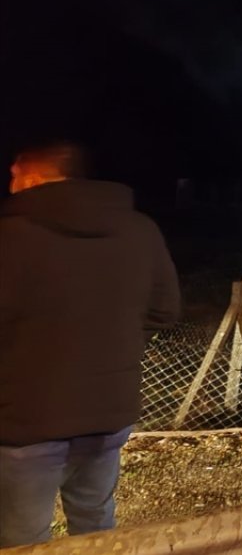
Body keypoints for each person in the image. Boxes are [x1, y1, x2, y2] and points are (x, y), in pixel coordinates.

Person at [0, 142, 180, 546]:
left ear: (33, 178)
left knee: (23, 538)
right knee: (95, 523)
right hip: (108, 413)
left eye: (14, 176)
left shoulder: (9, 237)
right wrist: (109, 347)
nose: (11, 186)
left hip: (26, 420)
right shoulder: (140, 230)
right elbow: (164, 310)